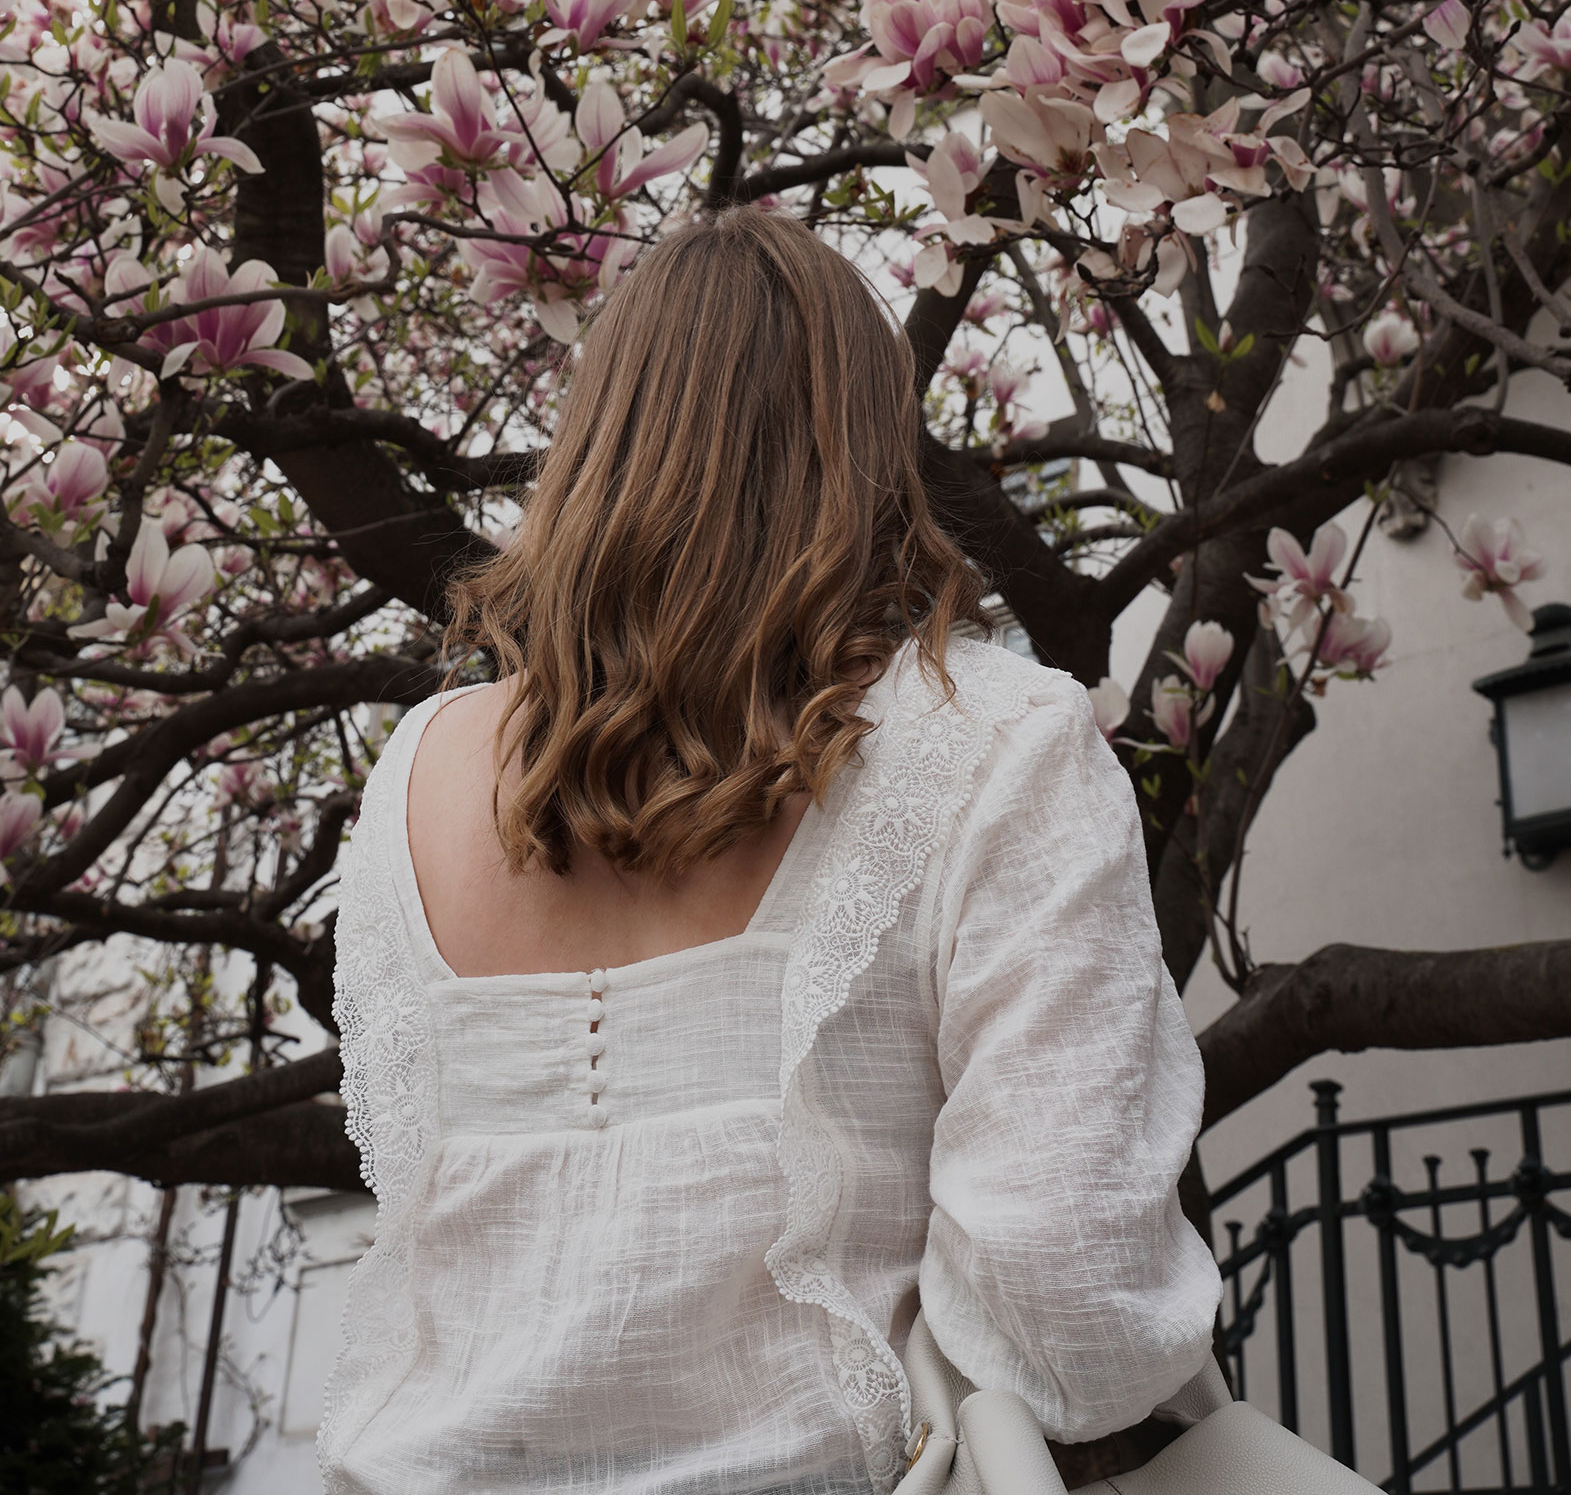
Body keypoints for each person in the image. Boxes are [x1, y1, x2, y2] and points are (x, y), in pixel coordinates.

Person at [319, 207, 1219, 1495]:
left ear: (596, 440)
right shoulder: (995, 735)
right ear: (866, 442)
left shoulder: (421, 766)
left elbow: (424, 1210)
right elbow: (1071, 1286)